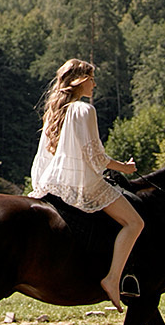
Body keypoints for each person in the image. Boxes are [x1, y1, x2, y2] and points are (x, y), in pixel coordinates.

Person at [30, 58, 144, 310]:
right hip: (83, 184)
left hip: (52, 182)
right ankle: (113, 278)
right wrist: (124, 167)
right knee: (135, 223)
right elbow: (96, 157)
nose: (94, 84)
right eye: (91, 79)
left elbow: (44, 156)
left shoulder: (54, 111)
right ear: (79, 81)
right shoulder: (84, 110)